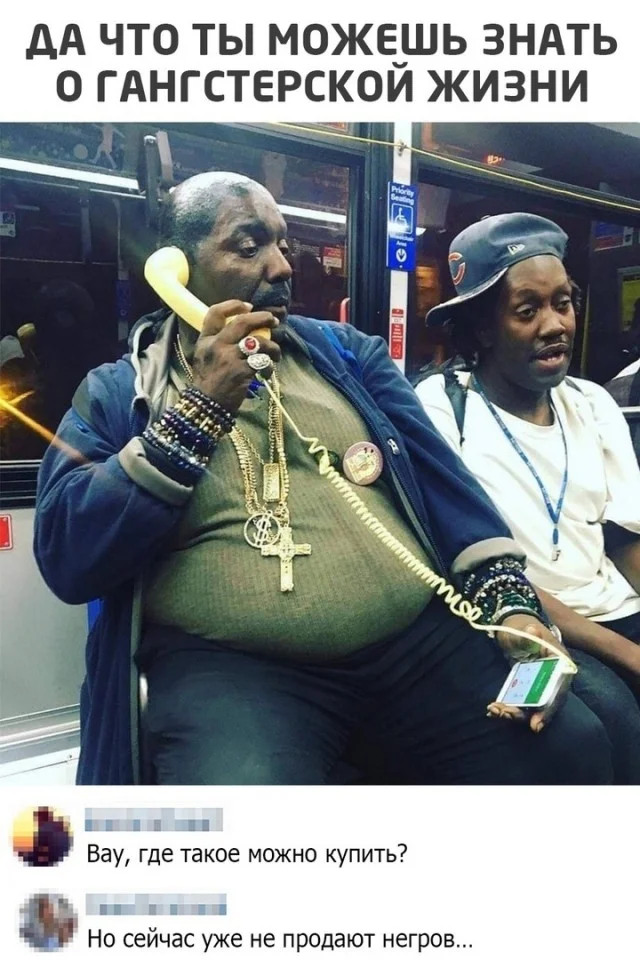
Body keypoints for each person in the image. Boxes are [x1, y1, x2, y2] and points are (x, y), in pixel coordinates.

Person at [34, 176, 621, 786]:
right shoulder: (118, 392)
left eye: (283, 244)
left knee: (572, 749)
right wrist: (200, 409)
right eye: (249, 246)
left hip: (414, 649)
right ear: (176, 270)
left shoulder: (349, 356)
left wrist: (511, 605)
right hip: (237, 670)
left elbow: (447, 489)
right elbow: (67, 556)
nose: (282, 265)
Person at [416, 213, 640, 748]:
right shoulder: (443, 407)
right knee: (617, 721)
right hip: (529, 619)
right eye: (527, 310)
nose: (555, 325)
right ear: (482, 328)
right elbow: (481, 567)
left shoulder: (592, 403)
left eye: (563, 303)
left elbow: (624, 539)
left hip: (619, 610)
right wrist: (631, 656)